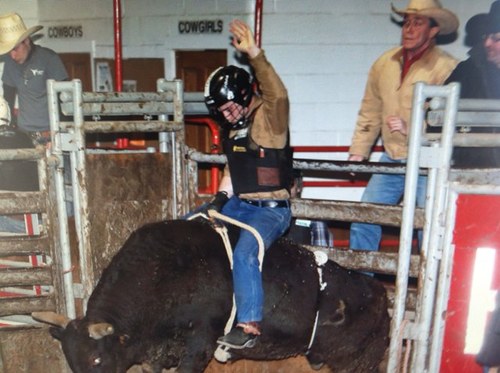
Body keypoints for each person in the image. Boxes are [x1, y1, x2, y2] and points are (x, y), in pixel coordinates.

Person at [203, 19, 292, 349]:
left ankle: (250, 324)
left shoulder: (271, 118)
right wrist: (218, 199)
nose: (226, 116)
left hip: (271, 210)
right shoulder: (233, 127)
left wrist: (254, 52)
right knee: (193, 223)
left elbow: (277, 93)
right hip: (240, 202)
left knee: (244, 254)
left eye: (229, 108)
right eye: (220, 112)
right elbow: (233, 168)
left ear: (243, 96)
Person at [348, 0, 458, 253]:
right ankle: (361, 285)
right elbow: (370, 108)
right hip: (392, 156)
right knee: (365, 216)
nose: (408, 29)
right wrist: (359, 150)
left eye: (417, 23)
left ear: (434, 30)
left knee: (427, 225)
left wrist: (414, 131)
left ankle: (425, 287)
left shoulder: (447, 67)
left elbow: (449, 119)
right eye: (407, 22)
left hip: (427, 161)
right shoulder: (384, 63)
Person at [444, 1, 500, 168]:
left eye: (496, 38)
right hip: (474, 170)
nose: (487, 43)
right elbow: (436, 114)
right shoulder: (466, 72)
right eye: (485, 37)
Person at [0, 12, 68, 145]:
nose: (12, 55)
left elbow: (65, 97)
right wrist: (12, 125)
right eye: (9, 51)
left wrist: (58, 129)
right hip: (24, 134)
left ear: (26, 41)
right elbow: (8, 96)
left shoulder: (49, 59)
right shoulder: (10, 63)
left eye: (15, 49)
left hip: (51, 132)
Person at [284, 170, 334, 247]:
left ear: (299, 187)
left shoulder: (315, 221)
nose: (285, 190)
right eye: (282, 185)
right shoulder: (267, 213)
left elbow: (322, 255)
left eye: (290, 184)